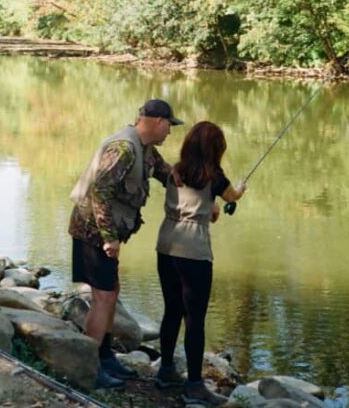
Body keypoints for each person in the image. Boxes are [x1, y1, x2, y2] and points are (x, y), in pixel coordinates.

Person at [68, 98, 183, 389]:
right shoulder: (123, 149)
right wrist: (108, 239)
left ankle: (105, 357)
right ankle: (89, 366)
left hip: (103, 233)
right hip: (92, 232)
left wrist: (204, 184)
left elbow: (167, 174)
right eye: (170, 125)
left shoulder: (145, 149)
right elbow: (99, 193)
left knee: (111, 291)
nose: (170, 132)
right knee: (104, 298)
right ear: (157, 122)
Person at [154, 121, 246, 406]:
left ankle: (166, 371)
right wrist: (241, 188)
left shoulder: (175, 170)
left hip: (167, 245)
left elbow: (193, 205)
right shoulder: (214, 176)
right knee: (194, 320)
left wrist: (210, 210)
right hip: (193, 252)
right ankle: (194, 385)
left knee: (172, 311)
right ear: (215, 149)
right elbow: (232, 196)